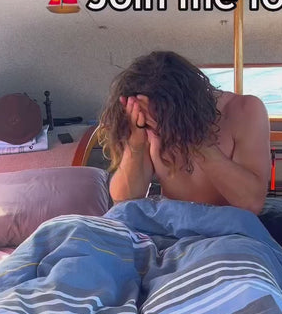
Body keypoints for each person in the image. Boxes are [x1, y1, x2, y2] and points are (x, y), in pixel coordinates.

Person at [99, 51, 271, 215]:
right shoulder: (145, 120)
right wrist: (135, 145)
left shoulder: (245, 110)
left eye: (162, 120)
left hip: (228, 228)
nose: (158, 130)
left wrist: (194, 140)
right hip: (170, 225)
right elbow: (124, 202)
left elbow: (252, 203)